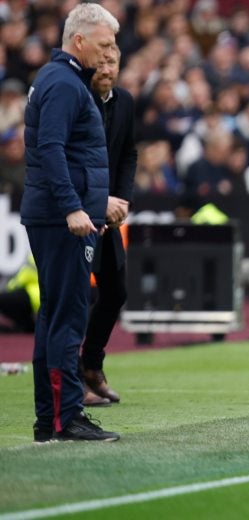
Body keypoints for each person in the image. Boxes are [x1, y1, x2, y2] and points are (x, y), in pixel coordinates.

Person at [22, 3, 120, 442]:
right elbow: (51, 148)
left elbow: (68, 153)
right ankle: (66, 418)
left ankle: (51, 419)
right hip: (63, 219)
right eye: (102, 45)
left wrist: (98, 202)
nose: (107, 54)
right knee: (67, 318)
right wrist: (73, 208)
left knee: (54, 316)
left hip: (64, 214)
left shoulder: (61, 79)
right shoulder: (63, 83)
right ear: (77, 40)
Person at [80, 45, 137, 407]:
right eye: (100, 62)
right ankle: (73, 379)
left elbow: (129, 152)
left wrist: (122, 200)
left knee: (115, 291)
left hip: (109, 211)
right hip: (78, 211)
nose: (106, 67)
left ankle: (91, 365)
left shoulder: (126, 102)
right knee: (74, 297)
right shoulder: (77, 98)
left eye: (112, 62)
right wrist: (94, 204)